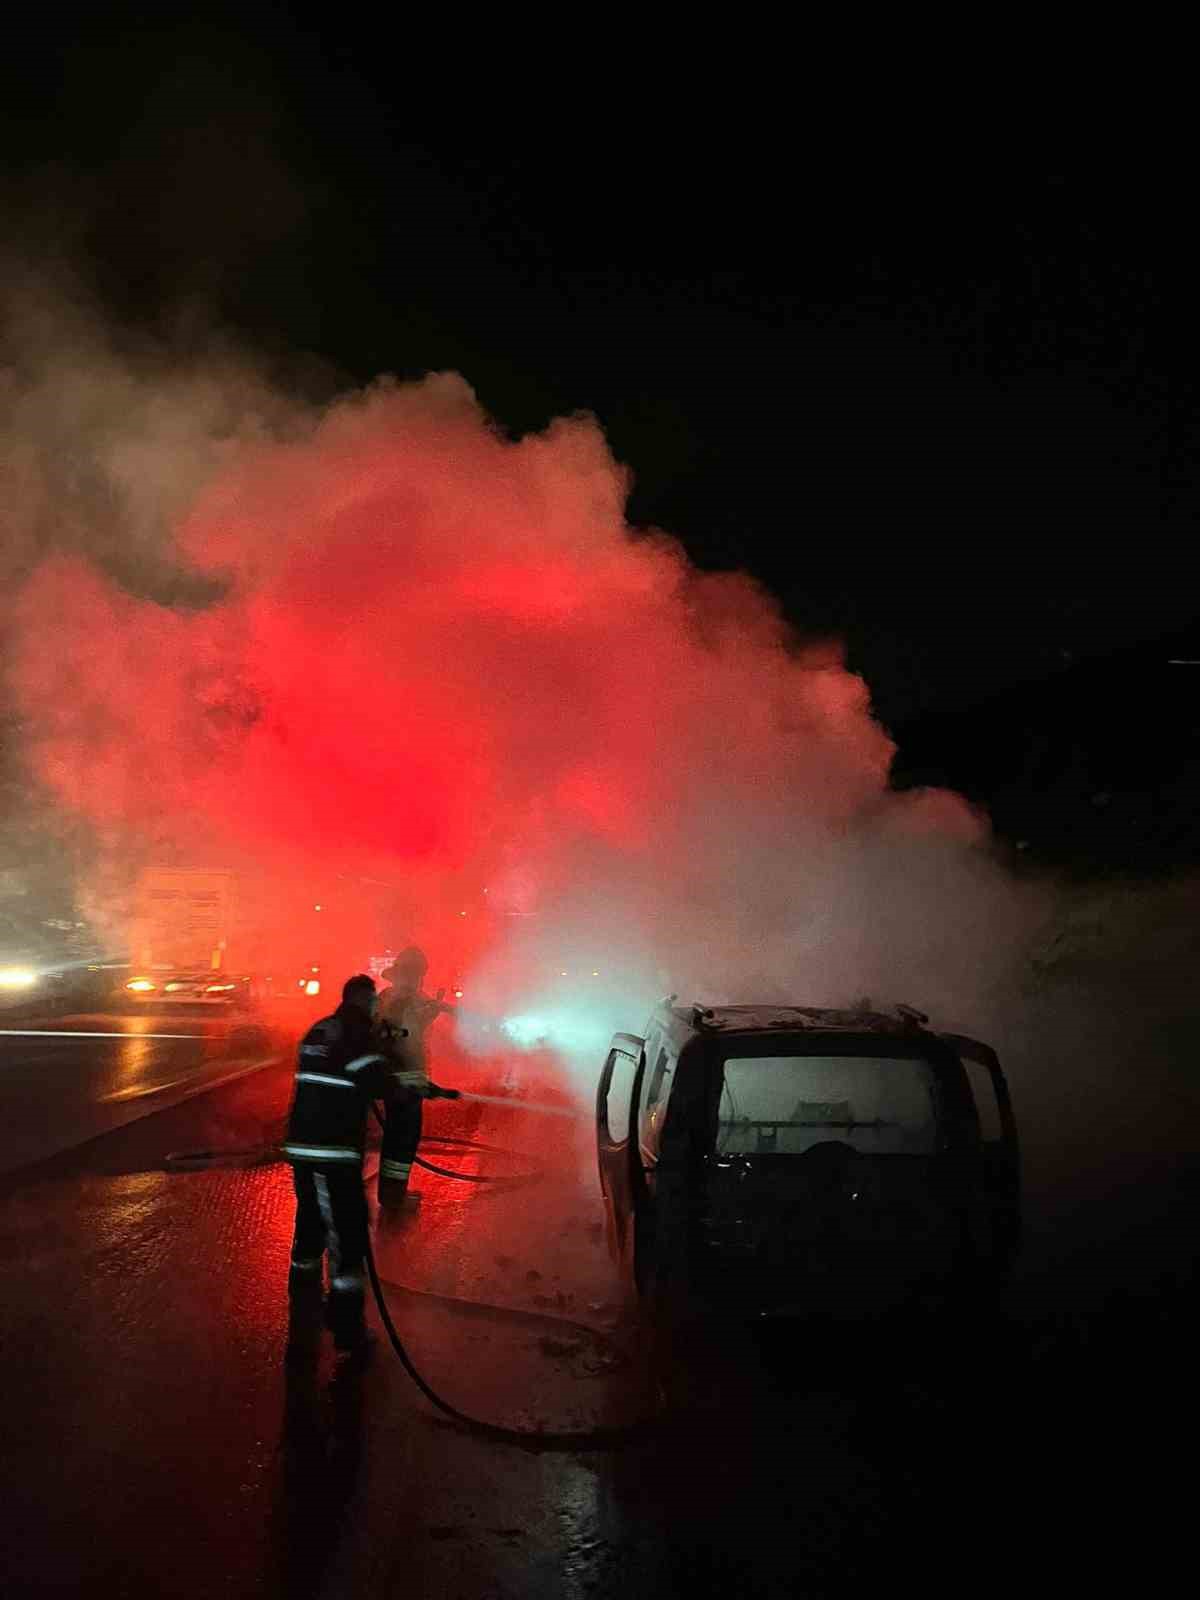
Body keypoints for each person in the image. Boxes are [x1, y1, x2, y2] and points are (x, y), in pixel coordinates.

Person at [283, 974, 415, 1351]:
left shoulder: (321, 1028)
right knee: (349, 1232)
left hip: (303, 1145)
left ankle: (304, 1295)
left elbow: (340, 1070)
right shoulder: (357, 1034)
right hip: (333, 1149)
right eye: (373, 1003)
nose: (375, 1009)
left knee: (311, 1218)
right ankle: (347, 1328)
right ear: (364, 1001)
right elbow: (380, 1084)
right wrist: (402, 1081)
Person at [375, 945, 458, 1205]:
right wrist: (431, 1015)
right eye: (417, 974)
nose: (418, 979)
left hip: (396, 1080)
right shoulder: (402, 1000)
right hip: (405, 1082)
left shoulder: (390, 997)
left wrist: (433, 1013)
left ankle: (392, 1193)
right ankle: (394, 1197)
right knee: (403, 1139)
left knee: (397, 1137)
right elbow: (406, 1036)